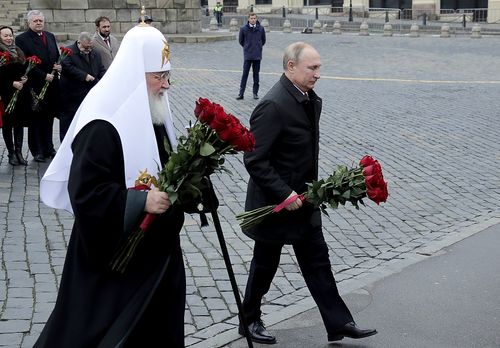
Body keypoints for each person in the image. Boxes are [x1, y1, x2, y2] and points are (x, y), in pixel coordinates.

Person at [35, 24, 186, 347]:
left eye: (167, 75)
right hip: (113, 261)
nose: (166, 85)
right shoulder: (102, 124)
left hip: (156, 255)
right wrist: (140, 202)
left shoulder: (153, 112)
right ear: (134, 73)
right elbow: (86, 195)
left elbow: (167, 167)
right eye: (158, 76)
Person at [239, 42, 378, 344]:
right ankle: (248, 319)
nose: (318, 74)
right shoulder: (273, 105)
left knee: (317, 259)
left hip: (305, 200)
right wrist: (283, 194)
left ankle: (339, 322)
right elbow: (254, 159)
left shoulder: (308, 99)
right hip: (275, 205)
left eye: (319, 68)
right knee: (265, 264)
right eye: (312, 68)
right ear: (291, 67)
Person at [15, 10, 61, 163]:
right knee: (36, 119)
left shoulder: (50, 36)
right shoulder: (22, 39)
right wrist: (42, 75)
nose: (39, 23)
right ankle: (37, 150)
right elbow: (26, 62)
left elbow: (54, 55)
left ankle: (49, 147)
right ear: (29, 23)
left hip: (52, 83)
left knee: (49, 117)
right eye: (35, 21)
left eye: (41, 20)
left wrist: (58, 66)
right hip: (35, 84)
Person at [59, 32, 106, 142]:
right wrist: (84, 76)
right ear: (79, 42)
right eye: (86, 47)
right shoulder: (67, 51)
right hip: (71, 96)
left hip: (89, 94)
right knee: (68, 123)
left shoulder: (95, 52)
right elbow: (67, 67)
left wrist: (105, 79)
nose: (88, 49)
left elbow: (101, 68)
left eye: (90, 47)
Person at [0, 25, 30, 166]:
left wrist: (25, 78)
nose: (9, 38)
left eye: (10, 35)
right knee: (8, 123)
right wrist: (12, 83)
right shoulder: (0, 52)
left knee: (19, 123)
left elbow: (23, 70)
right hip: (6, 93)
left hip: (21, 92)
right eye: (5, 35)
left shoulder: (18, 51)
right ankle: (11, 153)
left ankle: (19, 152)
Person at [236, 12, 265, 101]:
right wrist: (247, 47)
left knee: (256, 75)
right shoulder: (243, 29)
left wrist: (258, 47)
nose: (253, 20)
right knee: (245, 74)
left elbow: (263, 40)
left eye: (254, 18)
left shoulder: (261, 28)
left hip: (257, 55)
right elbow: (241, 41)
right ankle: (241, 93)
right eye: (251, 18)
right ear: (248, 19)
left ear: (256, 19)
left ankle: (255, 93)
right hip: (248, 55)